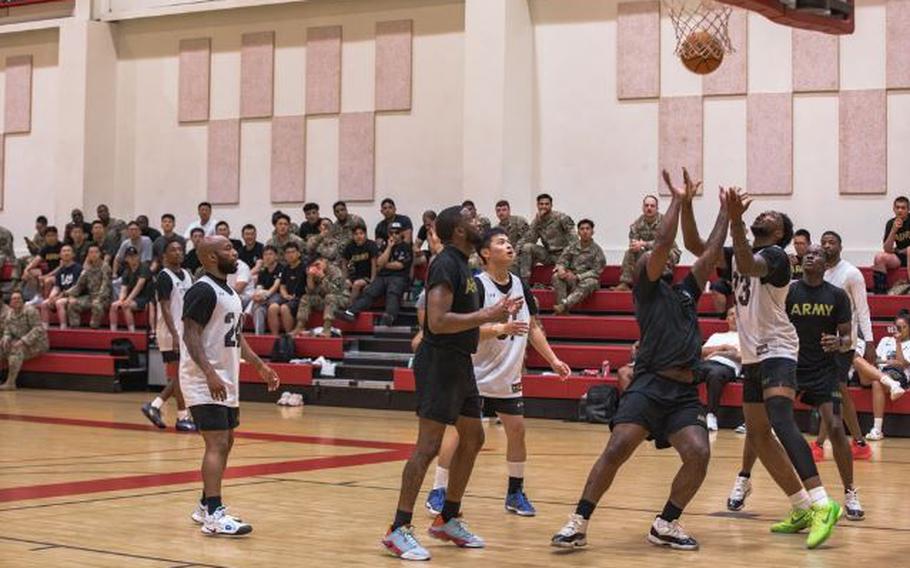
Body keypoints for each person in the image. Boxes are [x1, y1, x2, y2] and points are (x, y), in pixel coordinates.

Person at [552, 173, 728, 552]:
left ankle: (666, 523)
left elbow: (711, 253)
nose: (657, 259)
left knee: (699, 454)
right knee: (616, 450)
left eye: (659, 258)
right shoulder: (646, 292)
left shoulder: (684, 292)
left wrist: (726, 213)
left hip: (682, 391)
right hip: (650, 384)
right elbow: (663, 241)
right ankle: (578, 521)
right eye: (650, 258)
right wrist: (678, 201)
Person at [381, 206, 521, 561]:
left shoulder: (466, 267)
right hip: (440, 362)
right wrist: (488, 315)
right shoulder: (445, 264)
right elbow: (438, 321)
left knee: (473, 437)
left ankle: (447, 518)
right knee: (428, 446)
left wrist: (494, 315)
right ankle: (398, 528)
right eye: (471, 220)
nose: (478, 224)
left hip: (461, 364)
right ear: (458, 230)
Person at [424, 228, 571, 518]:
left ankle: (515, 493)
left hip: (507, 376)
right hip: (476, 374)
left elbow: (533, 328)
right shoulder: (476, 286)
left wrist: (553, 360)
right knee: (459, 435)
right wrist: (500, 328)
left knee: (517, 430)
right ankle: (438, 490)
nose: (509, 246)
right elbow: (466, 329)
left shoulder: (519, 285)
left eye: (510, 242)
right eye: (501, 242)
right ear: (486, 254)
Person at [723, 187, 841, 549]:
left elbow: (747, 265)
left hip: (777, 348)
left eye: (771, 217)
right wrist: (696, 209)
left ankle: (823, 502)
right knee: (757, 434)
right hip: (753, 354)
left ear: (778, 234)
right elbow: (699, 246)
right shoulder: (743, 250)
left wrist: (737, 221)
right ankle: (801, 506)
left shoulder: (775, 255)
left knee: (779, 419)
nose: (764, 214)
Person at [727, 245, 862, 520]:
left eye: (817, 254)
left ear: (827, 265)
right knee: (759, 426)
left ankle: (850, 492)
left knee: (836, 427)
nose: (811, 256)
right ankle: (743, 478)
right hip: (787, 363)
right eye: (808, 253)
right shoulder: (788, 289)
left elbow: (849, 338)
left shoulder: (837, 296)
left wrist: (840, 342)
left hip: (823, 370)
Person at [180, 236, 279, 535]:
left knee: (227, 442)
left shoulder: (230, 294)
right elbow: (190, 335)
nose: (234, 252)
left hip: (226, 379)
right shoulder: (203, 290)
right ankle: (213, 514)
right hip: (204, 380)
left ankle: (204, 505)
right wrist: (209, 373)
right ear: (210, 257)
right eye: (227, 249)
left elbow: (237, 337)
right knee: (218, 443)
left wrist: (260, 365)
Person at [814, 231, 874, 460]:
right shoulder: (819, 272)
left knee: (833, 389)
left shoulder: (851, 273)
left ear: (841, 246)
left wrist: (869, 341)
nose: (827, 246)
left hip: (845, 342)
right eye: (824, 242)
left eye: (832, 242)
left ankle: (819, 444)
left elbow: (863, 309)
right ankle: (859, 443)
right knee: (837, 391)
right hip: (822, 341)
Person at [141, 240, 196, 432]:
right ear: (164, 255)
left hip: (186, 332)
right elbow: (164, 308)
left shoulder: (188, 275)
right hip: (170, 333)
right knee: (180, 376)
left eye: (180, 249)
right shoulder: (164, 276)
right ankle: (182, 417)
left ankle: (155, 405)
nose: (178, 252)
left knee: (182, 377)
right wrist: (174, 334)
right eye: (173, 250)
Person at [339, 221, 412, 326]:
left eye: (397, 232)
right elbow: (379, 263)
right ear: (388, 233)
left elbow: (399, 265)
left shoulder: (406, 247)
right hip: (382, 276)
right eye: (391, 233)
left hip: (398, 276)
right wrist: (389, 247)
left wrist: (383, 264)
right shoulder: (383, 246)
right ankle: (350, 311)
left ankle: (389, 316)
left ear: (401, 233)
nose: (394, 235)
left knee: (393, 292)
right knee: (370, 291)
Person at [853, 311, 909, 440]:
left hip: (899, 375)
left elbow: (901, 364)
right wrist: (886, 361)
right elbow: (875, 360)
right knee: (857, 361)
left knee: (877, 382)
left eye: (904, 327)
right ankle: (889, 383)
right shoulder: (885, 340)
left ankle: (877, 430)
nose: (900, 330)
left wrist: (898, 342)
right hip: (879, 371)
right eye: (897, 327)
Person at [614, 195, 681, 291]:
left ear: (657, 208)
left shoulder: (665, 222)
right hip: (648, 253)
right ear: (643, 208)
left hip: (668, 252)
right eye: (646, 205)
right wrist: (635, 246)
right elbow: (634, 241)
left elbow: (663, 243)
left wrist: (644, 244)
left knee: (652, 254)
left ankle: (663, 280)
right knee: (630, 252)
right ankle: (626, 283)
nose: (649, 208)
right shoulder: (637, 224)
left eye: (652, 206)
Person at [698, 307, 741, 432]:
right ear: (727, 319)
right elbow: (700, 352)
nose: (734, 317)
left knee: (715, 374)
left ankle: (711, 415)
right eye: (731, 314)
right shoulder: (717, 336)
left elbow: (742, 357)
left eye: (737, 315)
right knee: (686, 372)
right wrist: (722, 348)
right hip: (708, 363)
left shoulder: (747, 338)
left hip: (728, 366)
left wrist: (722, 354)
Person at [517, 194, 576, 284]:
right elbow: (529, 239)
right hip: (549, 255)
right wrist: (515, 251)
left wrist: (564, 260)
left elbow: (574, 240)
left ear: (551, 205)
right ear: (537, 205)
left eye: (546, 204)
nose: (544, 206)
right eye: (541, 204)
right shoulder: (537, 221)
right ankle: (524, 284)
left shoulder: (561, 218)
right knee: (526, 247)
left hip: (563, 254)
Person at [552, 219, 606, 315]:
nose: (585, 231)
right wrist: (561, 269)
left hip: (586, 280)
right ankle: (563, 311)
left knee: (591, 281)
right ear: (578, 232)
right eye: (582, 229)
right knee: (556, 276)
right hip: (571, 278)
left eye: (587, 229)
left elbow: (597, 271)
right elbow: (562, 260)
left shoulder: (597, 250)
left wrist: (578, 277)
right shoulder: (572, 247)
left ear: (592, 232)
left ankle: (563, 305)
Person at [0, 291, 49, 391]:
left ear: (23, 300)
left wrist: (23, 341)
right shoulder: (10, 314)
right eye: (14, 299)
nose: (16, 300)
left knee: (15, 351)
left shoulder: (31, 311)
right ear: (10, 302)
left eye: (18, 298)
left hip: (38, 344)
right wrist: (6, 337)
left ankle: (10, 383)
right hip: (19, 341)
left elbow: (38, 329)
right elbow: (7, 330)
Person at [292, 257, 350, 338]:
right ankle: (300, 326)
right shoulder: (315, 272)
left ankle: (327, 328)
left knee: (330, 297)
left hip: (341, 299)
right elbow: (310, 292)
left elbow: (334, 291)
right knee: (306, 298)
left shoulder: (335, 271)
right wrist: (310, 278)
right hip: (325, 300)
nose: (316, 267)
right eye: (313, 265)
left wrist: (323, 277)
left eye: (318, 264)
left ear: (324, 261)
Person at [61, 244, 112, 329]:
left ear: (100, 254)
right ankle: (75, 328)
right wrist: (67, 293)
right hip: (90, 297)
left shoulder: (105, 267)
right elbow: (79, 285)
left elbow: (105, 286)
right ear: (88, 255)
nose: (93, 254)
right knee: (73, 304)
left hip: (104, 298)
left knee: (97, 306)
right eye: (91, 252)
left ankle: (94, 328)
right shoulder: (87, 269)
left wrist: (99, 298)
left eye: (96, 252)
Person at [109, 247, 153, 332]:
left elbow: (139, 285)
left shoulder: (144, 267)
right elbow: (123, 288)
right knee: (113, 305)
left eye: (134, 256)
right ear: (126, 259)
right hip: (133, 298)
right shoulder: (127, 271)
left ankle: (132, 331)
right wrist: (121, 300)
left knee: (126, 306)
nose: (132, 258)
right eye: (130, 257)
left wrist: (128, 300)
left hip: (145, 298)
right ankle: (113, 331)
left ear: (138, 256)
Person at [871, 196, 910, 293]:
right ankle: (880, 293)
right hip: (900, 257)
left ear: (908, 209)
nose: (900, 210)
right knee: (879, 257)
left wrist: (902, 250)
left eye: (903, 208)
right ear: (894, 209)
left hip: (907, 253)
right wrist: (894, 230)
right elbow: (887, 249)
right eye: (897, 207)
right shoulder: (891, 223)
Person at [38, 245, 81, 328]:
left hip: (75, 295)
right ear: (60, 255)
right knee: (44, 304)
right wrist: (51, 296)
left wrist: (58, 297)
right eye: (64, 251)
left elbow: (76, 287)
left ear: (73, 254)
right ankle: (45, 328)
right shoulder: (61, 270)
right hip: (62, 295)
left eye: (68, 251)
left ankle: (63, 327)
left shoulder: (78, 268)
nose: (66, 253)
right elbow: (57, 286)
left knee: (59, 303)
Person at [271, 242, 307, 334]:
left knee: (284, 308)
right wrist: (285, 295)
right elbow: (282, 285)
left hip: (301, 298)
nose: (290, 255)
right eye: (287, 252)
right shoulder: (285, 268)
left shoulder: (305, 267)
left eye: (293, 252)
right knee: (272, 307)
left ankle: (289, 336)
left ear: (298, 253)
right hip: (287, 297)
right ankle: (274, 337)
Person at [250, 245, 282, 335]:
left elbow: (276, 286)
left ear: (276, 256)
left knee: (261, 303)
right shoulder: (263, 270)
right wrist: (257, 295)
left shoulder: (281, 268)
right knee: (258, 309)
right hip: (265, 297)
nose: (268, 257)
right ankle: (259, 335)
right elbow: (259, 286)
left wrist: (265, 296)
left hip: (278, 295)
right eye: (265, 255)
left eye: (270, 254)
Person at [343, 225, 378, 306]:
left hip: (368, 276)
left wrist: (372, 281)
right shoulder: (350, 246)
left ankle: (350, 307)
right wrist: (345, 278)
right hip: (355, 275)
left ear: (365, 234)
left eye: (361, 233)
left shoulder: (371, 245)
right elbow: (344, 263)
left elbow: (374, 264)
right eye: (356, 234)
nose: (359, 236)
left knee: (357, 284)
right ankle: (342, 305)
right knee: (346, 284)